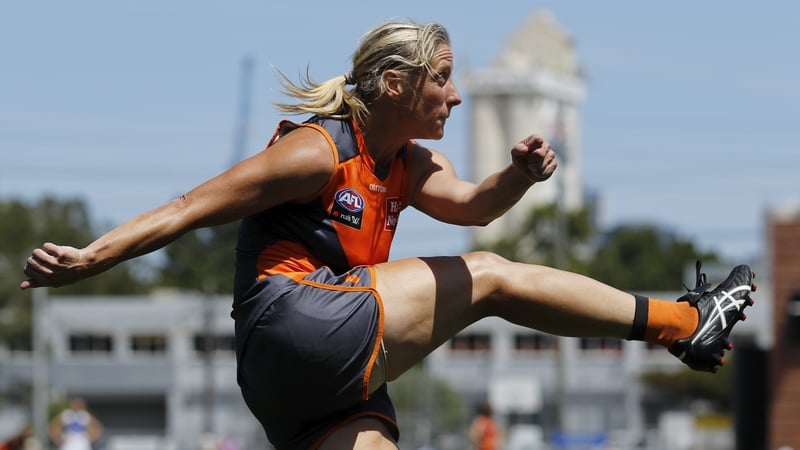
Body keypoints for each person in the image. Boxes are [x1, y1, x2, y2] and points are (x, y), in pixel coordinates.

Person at [20, 20, 756, 450]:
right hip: (294, 322)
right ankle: (684, 323)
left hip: (294, 387)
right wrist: (92, 258)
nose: (457, 94)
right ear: (397, 84)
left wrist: (520, 179)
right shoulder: (318, 151)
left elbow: (473, 207)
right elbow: (190, 207)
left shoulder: (406, 162)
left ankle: (686, 326)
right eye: (443, 77)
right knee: (490, 277)